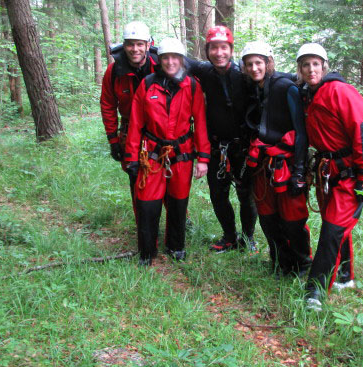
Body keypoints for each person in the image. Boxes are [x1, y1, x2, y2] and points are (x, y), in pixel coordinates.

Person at [295, 43, 363, 311]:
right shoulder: (309, 95)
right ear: (300, 69)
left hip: (348, 172)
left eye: (315, 64)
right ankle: (345, 275)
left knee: (332, 231)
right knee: (333, 225)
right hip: (326, 170)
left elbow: (362, 131)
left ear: (324, 66)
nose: (310, 69)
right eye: (305, 65)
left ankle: (315, 292)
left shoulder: (340, 91)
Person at [124, 37, 210, 266]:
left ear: (181, 60)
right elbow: (135, 123)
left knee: (178, 202)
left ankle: (176, 246)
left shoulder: (192, 85)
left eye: (175, 57)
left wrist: (203, 158)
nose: (170, 62)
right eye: (166, 58)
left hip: (182, 155)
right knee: (147, 202)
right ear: (159, 60)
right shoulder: (148, 84)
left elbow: (200, 123)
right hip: (152, 153)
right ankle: (147, 251)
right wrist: (131, 157)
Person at [185, 26, 258, 253]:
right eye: (214, 48)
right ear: (207, 51)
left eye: (223, 48)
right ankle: (229, 236)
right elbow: (176, 59)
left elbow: (274, 79)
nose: (219, 53)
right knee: (218, 194)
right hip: (216, 147)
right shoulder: (204, 72)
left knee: (247, 196)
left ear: (231, 50)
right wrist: (146, 47)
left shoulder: (245, 75)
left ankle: (247, 238)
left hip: (243, 147)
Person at [241, 41, 312, 276]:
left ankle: (302, 264)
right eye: (249, 64)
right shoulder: (256, 88)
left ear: (268, 63)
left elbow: (301, 132)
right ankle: (280, 261)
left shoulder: (285, 87)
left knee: (292, 217)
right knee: (268, 215)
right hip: (264, 163)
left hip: (286, 163)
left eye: (258, 62)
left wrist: (300, 171)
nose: (254, 68)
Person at [100, 21, 158, 195]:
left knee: (164, 172)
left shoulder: (161, 66)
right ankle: (142, 219)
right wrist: (113, 140)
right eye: (130, 44)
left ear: (148, 45)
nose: (135, 49)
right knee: (135, 174)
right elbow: (108, 105)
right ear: (124, 46)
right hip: (129, 127)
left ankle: (179, 217)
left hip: (159, 128)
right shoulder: (114, 71)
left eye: (140, 44)